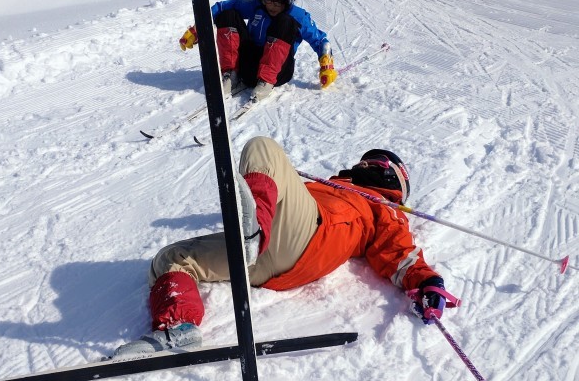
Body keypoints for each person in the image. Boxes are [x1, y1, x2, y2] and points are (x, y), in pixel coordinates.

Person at [113, 136, 459, 358]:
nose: (363, 165)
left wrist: (427, 282)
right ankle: (179, 328)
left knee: (261, 148)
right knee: (170, 259)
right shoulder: (332, 185)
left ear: (394, 179)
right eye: (363, 161)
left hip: (309, 236)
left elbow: (400, 255)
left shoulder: (385, 208)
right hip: (269, 262)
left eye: (375, 164)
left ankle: (253, 236)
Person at [179, 0, 338, 102]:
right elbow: (220, 7)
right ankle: (230, 74)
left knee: (285, 21)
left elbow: (321, 41)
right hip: (248, 67)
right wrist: (198, 28)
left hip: (278, 72)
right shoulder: (257, 6)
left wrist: (327, 65)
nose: (271, 3)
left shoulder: (299, 16)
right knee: (227, 13)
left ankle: (265, 82)